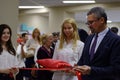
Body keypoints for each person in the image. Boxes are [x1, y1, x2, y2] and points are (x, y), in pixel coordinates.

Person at [74, 7, 120, 80]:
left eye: (91, 22)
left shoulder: (116, 40)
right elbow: (83, 59)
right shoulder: (89, 38)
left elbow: (116, 69)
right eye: (88, 23)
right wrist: (77, 67)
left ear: (102, 20)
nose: (89, 26)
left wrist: (91, 70)